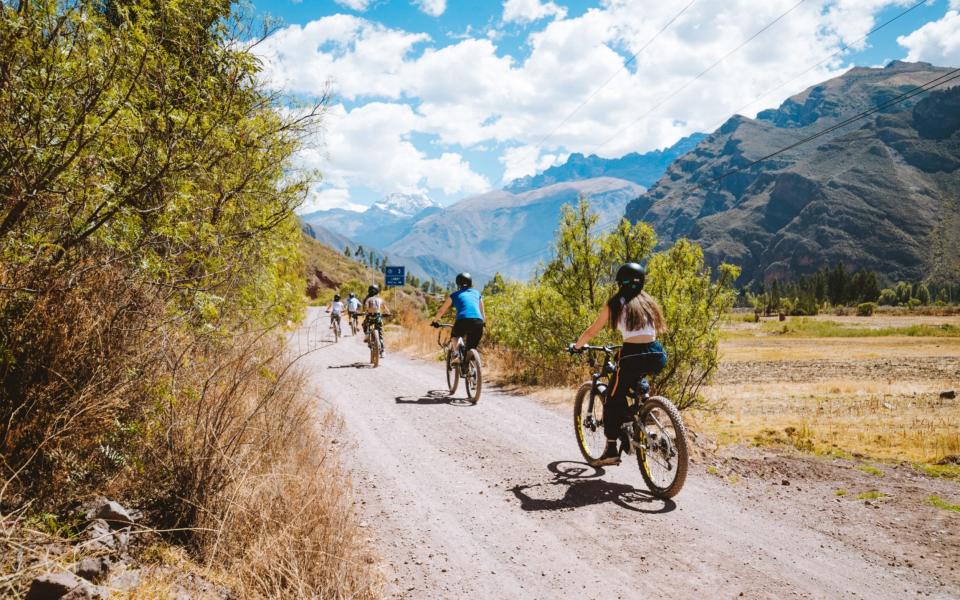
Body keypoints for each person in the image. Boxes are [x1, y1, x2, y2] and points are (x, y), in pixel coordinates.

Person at [569, 263, 667, 467]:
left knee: (612, 400)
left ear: (620, 282)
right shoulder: (648, 302)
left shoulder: (616, 303)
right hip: (657, 353)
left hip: (631, 356)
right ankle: (645, 407)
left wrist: (577, 346)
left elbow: (591, 332)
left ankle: (611, 449)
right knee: (633, 380)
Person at [431, 273, 485, 364]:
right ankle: (471, 363)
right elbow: (482, 311)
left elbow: (441, 311)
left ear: (458, 283)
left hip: (462, 321)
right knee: (471, 347)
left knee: (455, 336)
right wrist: (484, 322)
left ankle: (456, 355)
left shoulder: (454, 295)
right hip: (478, 322)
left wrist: (435, 321)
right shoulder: (477, 293)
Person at [363, 284, 389, 356]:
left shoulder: (368, 299)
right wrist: (388, 313)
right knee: (380, 333)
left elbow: (366, 308)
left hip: (369, 317)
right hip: (378, 317)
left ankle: (367, 335)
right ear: (377, 291)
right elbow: (385, 308)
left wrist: (366, 312)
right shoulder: (380, 299)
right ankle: (382, 351)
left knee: (364, 324)